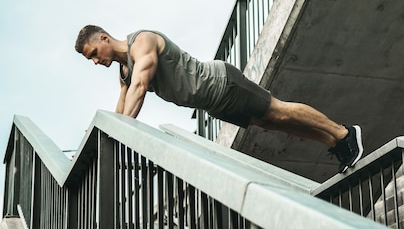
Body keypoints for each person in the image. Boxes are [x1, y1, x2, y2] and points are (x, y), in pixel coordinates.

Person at [75, 25, 363, 173]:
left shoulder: (142, 43)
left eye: (93, 55)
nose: (95, 62)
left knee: (279, 111)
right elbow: (120, 108)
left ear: (103, 38)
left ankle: (344, 133)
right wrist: (102, 140)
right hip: (214, 104)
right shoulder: (124, 71)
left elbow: (139, 88)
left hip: (222, 84)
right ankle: (335, 144)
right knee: (273, 124)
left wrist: (122, 133)